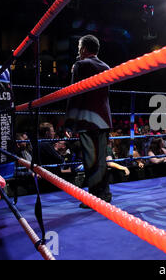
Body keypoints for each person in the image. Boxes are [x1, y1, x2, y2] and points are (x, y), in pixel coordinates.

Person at [65, 35, 112, 209]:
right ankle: (105, 194)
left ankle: (94, 198)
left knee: (90, 160)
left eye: (79, 47)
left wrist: (69, 121)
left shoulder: (80, 65)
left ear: (84, 48)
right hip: (104, 119)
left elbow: (74, 94)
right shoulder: (106, 66)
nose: (78, 50)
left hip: (88, 120)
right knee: (100, 159)